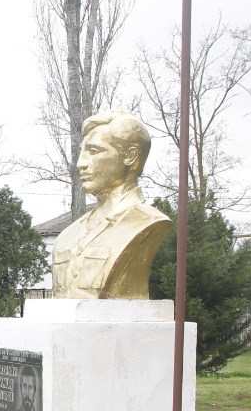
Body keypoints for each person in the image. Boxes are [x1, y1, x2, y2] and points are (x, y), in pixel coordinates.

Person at [51, 110, 173, 300]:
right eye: (82, 151)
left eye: (93, 151)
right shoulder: (67, 236)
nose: (81, 163)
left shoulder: (147, 223)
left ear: (130, 156)